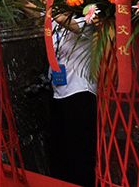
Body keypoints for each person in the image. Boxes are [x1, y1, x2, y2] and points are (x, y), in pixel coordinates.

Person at [47, 19, 96, 187]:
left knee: (80, 152)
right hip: (59, 89)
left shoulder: (85, 9)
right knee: (61, 149)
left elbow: (75, 26)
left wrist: (50, 2)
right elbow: (36, 11)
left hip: (80, 90)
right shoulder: (53, 11)